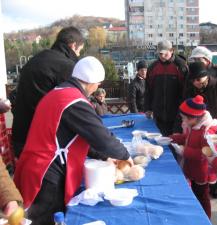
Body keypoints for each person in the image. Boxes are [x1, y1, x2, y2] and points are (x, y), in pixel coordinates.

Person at [14, 56, 133, 225]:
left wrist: (104, 157)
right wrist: (125, 155)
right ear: (91, 81)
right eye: (99, 83)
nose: (98, 87)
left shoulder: (59, 92)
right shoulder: (74, 101)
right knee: (45, 219)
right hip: (47, 171)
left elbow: (79, 136)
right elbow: (102, 138)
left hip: (36, 163)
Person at [12, 26, 85, 158]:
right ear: (73, 45)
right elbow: (75, 108)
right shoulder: (66, 66)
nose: (78, 55)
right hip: (43, 143)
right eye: (79, 51)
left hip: (21, 134)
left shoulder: (34, 60)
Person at [183, 62, 217, 198]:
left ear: (206, 75)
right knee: (202, 158)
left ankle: (216, 188)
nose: (196, 83)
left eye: (198, 80)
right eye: (193, 80)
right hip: (199, 131)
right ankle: (203, 185)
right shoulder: (190, 90)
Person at [170, 95, 217, 219]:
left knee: (202, 197)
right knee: (194, 195)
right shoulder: (191, 126)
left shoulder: (206, 132)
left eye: (184, 118)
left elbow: (206, 153)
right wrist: (172, 138)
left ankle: (206, 219)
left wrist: (185, 151)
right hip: (191, 167)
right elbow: (186, 138)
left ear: (194, 118)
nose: (183, 121)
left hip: (202, 172)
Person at [145, 40, 188, 136]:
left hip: (177, 113)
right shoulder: (153, 67)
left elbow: (186, 90)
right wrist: (148, 107)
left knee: (176, 142)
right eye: (160, 54)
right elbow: (148, 89)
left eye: (165, 54)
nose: (162, 56)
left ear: (172, 50)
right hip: (158, 113)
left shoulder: (181, 66)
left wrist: (184, 110)